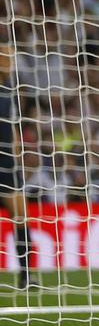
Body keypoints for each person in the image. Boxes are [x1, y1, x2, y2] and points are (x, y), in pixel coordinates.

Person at [0, 43, 30, 290]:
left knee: (21, 218)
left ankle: (27, 275)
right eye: (7, 57)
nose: (11, 62)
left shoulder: (9, 89)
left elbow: (12, 125)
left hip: (8, 164)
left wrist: (17, 150)